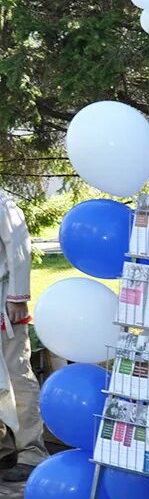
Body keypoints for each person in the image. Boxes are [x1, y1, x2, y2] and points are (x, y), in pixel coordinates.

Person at [0, 189, 47, 482]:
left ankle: (31, 450)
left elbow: (18, 247)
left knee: (17, 373)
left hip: (4, 300)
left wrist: (18, 297)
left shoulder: (3, 203)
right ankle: (4, 447)